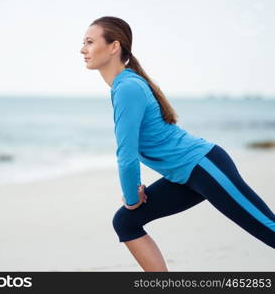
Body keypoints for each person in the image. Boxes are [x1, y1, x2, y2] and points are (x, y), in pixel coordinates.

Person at [80, 16, 275, 272]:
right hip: (185, 176)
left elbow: (126, 155)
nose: (83, 49)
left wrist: (131, 197)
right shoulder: (124, 85)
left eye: (90, 42)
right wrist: (132, 197)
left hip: (204, 166)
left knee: (268, 230)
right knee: (126, 222)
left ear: (114, 46)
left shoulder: (127, 87)